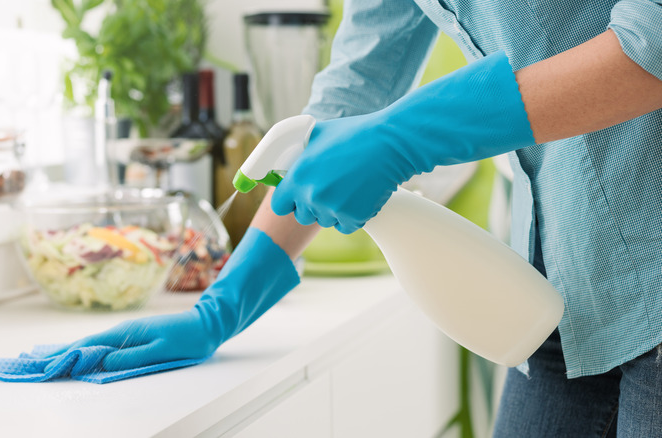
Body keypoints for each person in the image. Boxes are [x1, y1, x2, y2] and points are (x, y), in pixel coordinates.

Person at [42, 0, 662, 435]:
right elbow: (360, 81)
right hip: (564, 290)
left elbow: (652, 37)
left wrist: (408, 134)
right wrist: (224, 305)